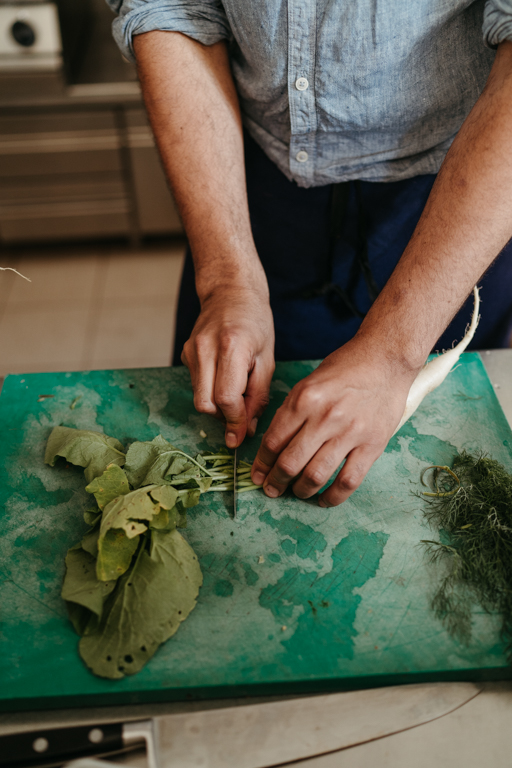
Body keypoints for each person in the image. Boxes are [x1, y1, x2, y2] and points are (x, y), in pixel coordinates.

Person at [106, 0, 512, 507]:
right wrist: (227, 279)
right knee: (219, 417)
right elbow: (172, 10)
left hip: (456, 208)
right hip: (249, 198)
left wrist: (393, 353)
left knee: (449, 475)